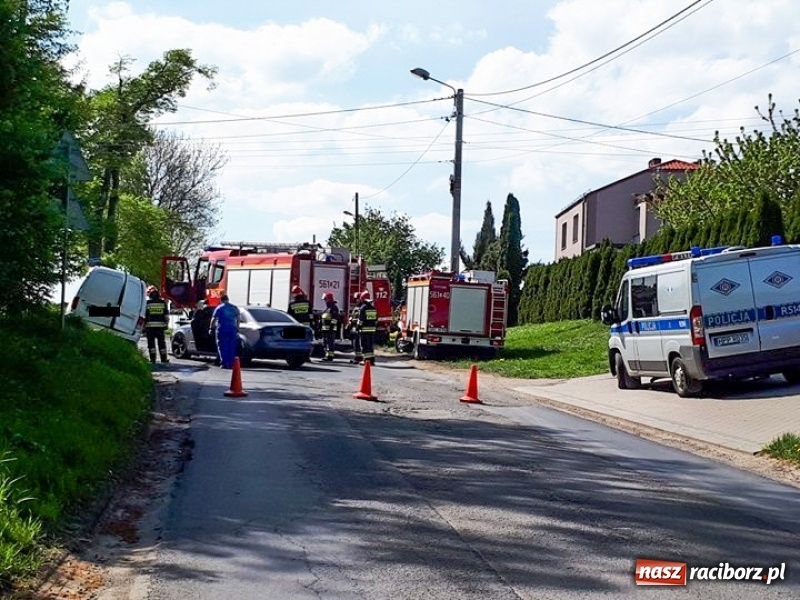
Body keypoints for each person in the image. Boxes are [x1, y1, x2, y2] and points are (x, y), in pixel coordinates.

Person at [209, 294, 240, 369]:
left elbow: (213, 319)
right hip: (232, 328)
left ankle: (224, 364)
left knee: (222, 346)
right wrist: (237, 328)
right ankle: (231, 364)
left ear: (221, 300)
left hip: (222, 328)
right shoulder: (234, 307)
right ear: (228, 299)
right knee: (231, 347)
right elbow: (238, 319)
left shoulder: (219, 308)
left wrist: (211, 328)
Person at [145, 286, 170, 364]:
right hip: (160, 328)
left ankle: (153, 360)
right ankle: (164, 359)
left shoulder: (147, 303)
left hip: (150, 328)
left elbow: (144, 315)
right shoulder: (163, 303)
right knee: (162, 344)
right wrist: (166, 325)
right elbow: (166, 317)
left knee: (151, 344)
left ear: (150, 295)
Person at [356, 290, 378, 365]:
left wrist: (358, 328)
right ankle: (371, 361)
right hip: (372, 331)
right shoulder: (373, 308)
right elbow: (376, 320)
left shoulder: (363, 308)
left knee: (364, 345)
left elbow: (360, 320)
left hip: (364, 330)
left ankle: (366, 360)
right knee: (370, 346)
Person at [319, 291, 340, 362]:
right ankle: (327, 355)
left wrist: (331, 327)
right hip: (325, 329)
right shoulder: (327, 308)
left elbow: (334, 319)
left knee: (330, 342)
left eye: (325, 299)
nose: (325, 301)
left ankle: (330, 356)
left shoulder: (334, 308)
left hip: (330, 329)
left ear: (328, 299)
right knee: (326, 342)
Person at [348, 292, 363, 364]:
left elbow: (361, 319)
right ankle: (357, 357)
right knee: (355, 344)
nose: (356, 300)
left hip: (359, 329)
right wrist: (350, 319)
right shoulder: (356, 308)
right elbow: (352, 316)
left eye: (357, 299)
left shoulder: (362, 308)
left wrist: (354, 320)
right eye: (355, 299)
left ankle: (360, 358)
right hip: (354, 328)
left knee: (359, 344)